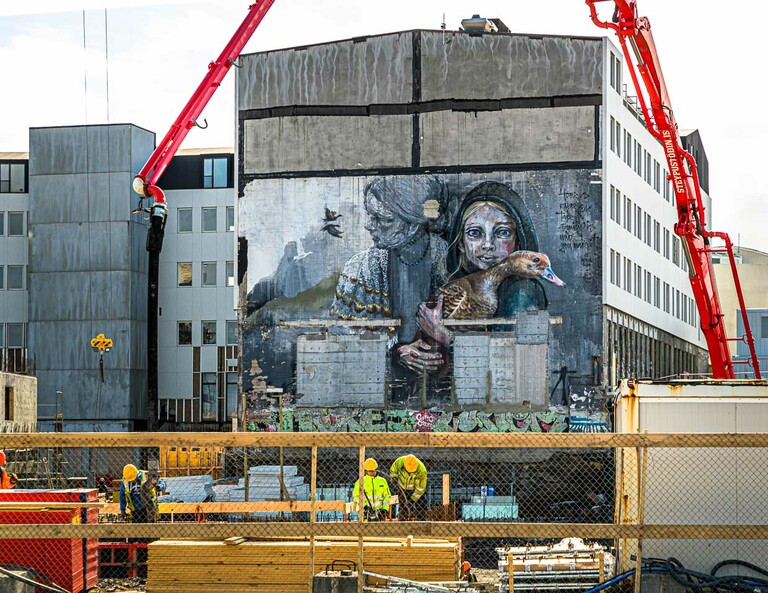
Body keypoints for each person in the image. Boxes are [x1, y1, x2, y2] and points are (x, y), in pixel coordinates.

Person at [330, 175, 450, 384]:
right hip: (379, 389)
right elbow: (338, 337)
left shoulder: (452, 262)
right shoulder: (359, 269)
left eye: (383, 219)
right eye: (370, 215)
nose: (369, 225)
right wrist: (395, 350)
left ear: (415, 224)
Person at [419, 180, 550, 346]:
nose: (488, 244)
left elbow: (509, 358)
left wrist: (445, 338)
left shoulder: (522, 292)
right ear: (461, 243)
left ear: (517, 241)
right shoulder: (457, 287)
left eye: (502, 232)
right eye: (474, 232)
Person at [389, 454, 427, 520]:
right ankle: (402, 522)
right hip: (403, 488)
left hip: (415, 489)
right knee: (403, 507)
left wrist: (412, 500)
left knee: (421, 506)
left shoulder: (422, 471)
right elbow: (393, 471)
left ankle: (421, 522)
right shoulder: (399, 462)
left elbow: (420, 489)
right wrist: (394, 477)